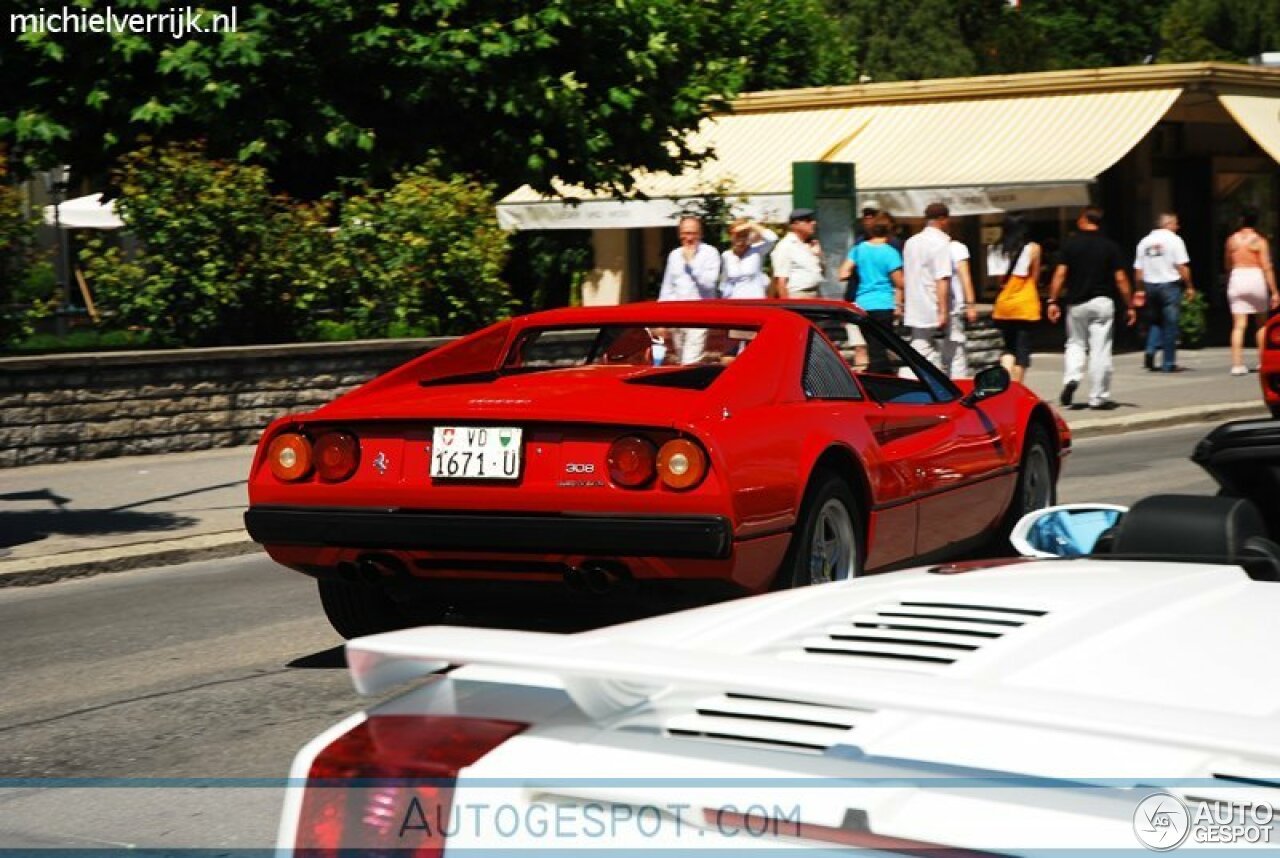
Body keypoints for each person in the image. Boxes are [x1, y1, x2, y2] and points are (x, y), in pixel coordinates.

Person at [1046, 207, 1136, 410]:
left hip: (1076, 303)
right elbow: (1121, 278)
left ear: (1083, 220)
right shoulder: (1110, 247)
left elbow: (1060, 274)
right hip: (1102, 302)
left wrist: (1052, 300)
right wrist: (1129, 304)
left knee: (1075, 344)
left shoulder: (1070, 245)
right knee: (1100, 349)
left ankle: (1072, 378)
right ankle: (1098, 397)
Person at [837, 213, 903, 373]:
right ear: (888, 231)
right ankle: (882, 379)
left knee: (871, 346)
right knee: (881, 347)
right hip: (884, 303)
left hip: (863, 303)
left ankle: (876, 375)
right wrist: (899, 303)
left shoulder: (859, 250)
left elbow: (843, 273)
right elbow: (900, 282)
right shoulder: (890, 252)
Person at [1134, 213, 1196, 373]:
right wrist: (1189, 286)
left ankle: (1150, 349)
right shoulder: (1175, 240)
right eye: (1176, 224)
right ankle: (1168, 363)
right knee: (1170, 324)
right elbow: (1182, 266)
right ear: (1168, 224)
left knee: (1156, 320)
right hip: (1169, 285)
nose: (1178, 227)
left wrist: (1140, 289)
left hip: (1150, 285)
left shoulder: (1144, 241)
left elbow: (1138, 270)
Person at [1224, 206, 1280, 376]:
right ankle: (1262, 362)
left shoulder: (1231, 241)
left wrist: (1229, 278)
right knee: (1261, 324)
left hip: (1237, 276)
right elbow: (1267, 266)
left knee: (1239, 325)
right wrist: (1275, 291)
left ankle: (1237, 364)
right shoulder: (1260, 241)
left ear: (1241, 220)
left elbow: (1227, 263)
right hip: (1255, 277)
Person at [658, 214, 720, 364]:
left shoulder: (710, 253)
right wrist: (660, 318)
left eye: (693, 233)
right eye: (685, 233)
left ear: (700, 234)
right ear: (680, 234)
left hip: (700, 314)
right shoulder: (674, 255)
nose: (689, 238)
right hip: (677, 315)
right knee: (681, 360)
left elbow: (710, 284)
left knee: (689, 360)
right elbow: (668, 287)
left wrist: (691, 263)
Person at [988, 213, 1042, 384]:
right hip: (1025, 305)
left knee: (1008, 347)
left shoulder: (994, 249)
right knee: (1022, 351)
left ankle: (1005, 380)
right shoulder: (1033, 248)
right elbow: (1035, 276)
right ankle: (1017, 387)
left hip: (1004, 305)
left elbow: (998, 281)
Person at [901, 202, 954, 369]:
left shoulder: (911, 242)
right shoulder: (940, 243)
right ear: (942, 220)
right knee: (925, 351)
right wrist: (943, 311)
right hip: (931, 304)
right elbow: (942, 278)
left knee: (922, 345)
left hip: (914, 303)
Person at [942, 236, 979, 378]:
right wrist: (970, 304)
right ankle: (958, 384)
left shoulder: (921, 245)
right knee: (956, 349)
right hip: (952, 306)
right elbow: (965, 276)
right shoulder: (957, 247)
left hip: (929, 306)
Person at [770, 209, 824, 299]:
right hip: (798, 295)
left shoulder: (809, 244)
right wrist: (788, 306)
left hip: (815, 293)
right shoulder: (786, 246)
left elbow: (821, 273)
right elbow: (781, 281)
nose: (813, 223)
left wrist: (819, 255)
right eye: (808, 220)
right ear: (795, 225)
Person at [720, 218, 778, 299]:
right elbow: (724, 284)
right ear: (730, 236)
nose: (740, 239)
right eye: (737, 235)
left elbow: (773, 238)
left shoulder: (757, 251)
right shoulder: (726, 255)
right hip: (735, 303)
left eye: (744, 235)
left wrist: (751, 225)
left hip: (756, 302)